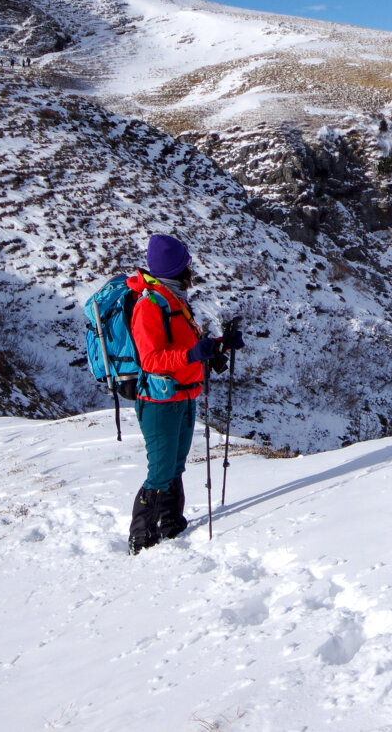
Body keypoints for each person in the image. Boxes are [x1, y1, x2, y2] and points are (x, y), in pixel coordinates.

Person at [128, 233, 243, 554]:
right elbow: (151, 360)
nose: (191, 269)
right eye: (187, 264)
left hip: (184, 395)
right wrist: (194, 355)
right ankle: (141, 537)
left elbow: (184, 347)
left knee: (175, 465)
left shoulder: (175, 299)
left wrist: (218, 346)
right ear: (177, 268)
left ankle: (171, 523)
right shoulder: (150, 306)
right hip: (159, 400)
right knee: (160, 470)